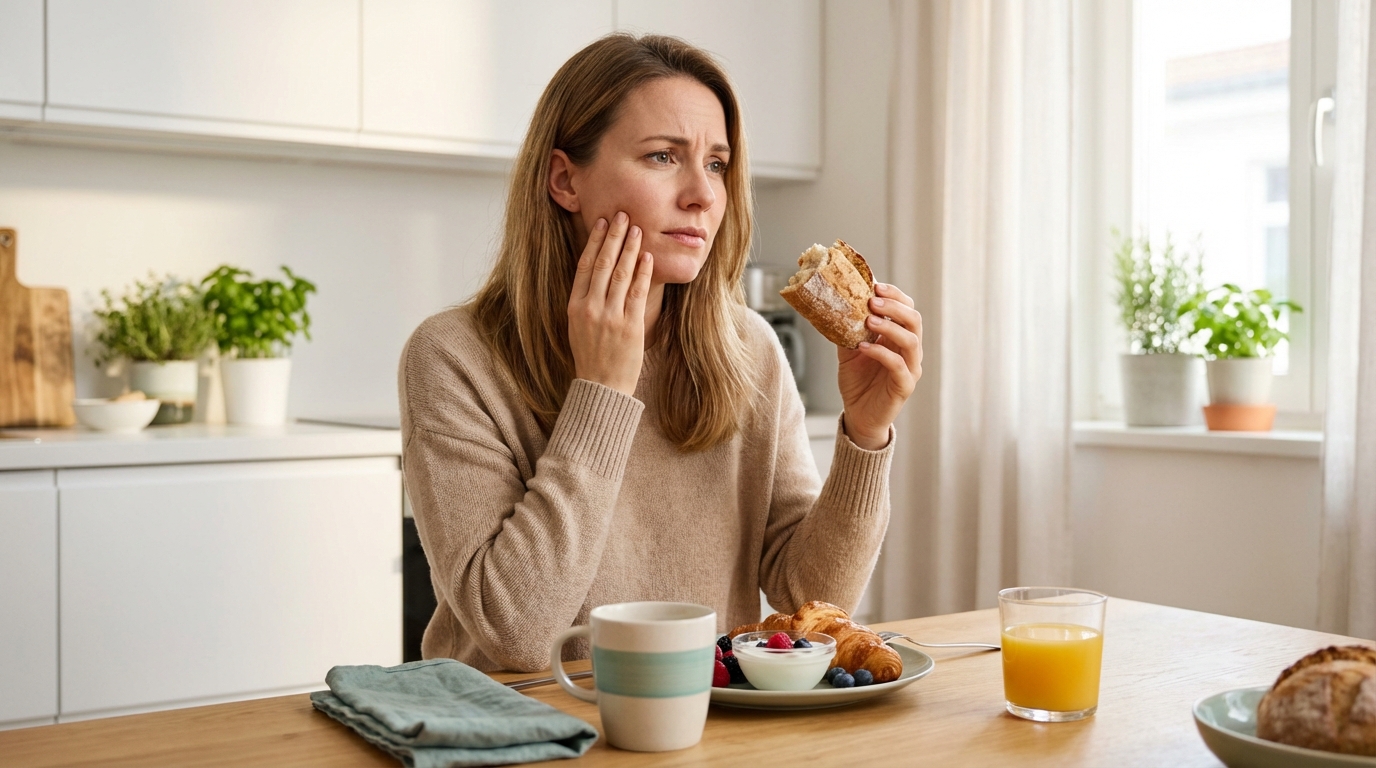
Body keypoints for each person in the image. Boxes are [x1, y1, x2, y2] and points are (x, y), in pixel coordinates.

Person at [398, 33, 923, 672]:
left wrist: (865, 435)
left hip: (698, 724)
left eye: (717, 164)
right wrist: (603, 394)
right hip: (522, 730)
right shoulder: (453, 357)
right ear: (565, 180)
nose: (702, 195)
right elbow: (518, 637)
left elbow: (810, 602)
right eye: (661, 157)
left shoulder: (749, 349)